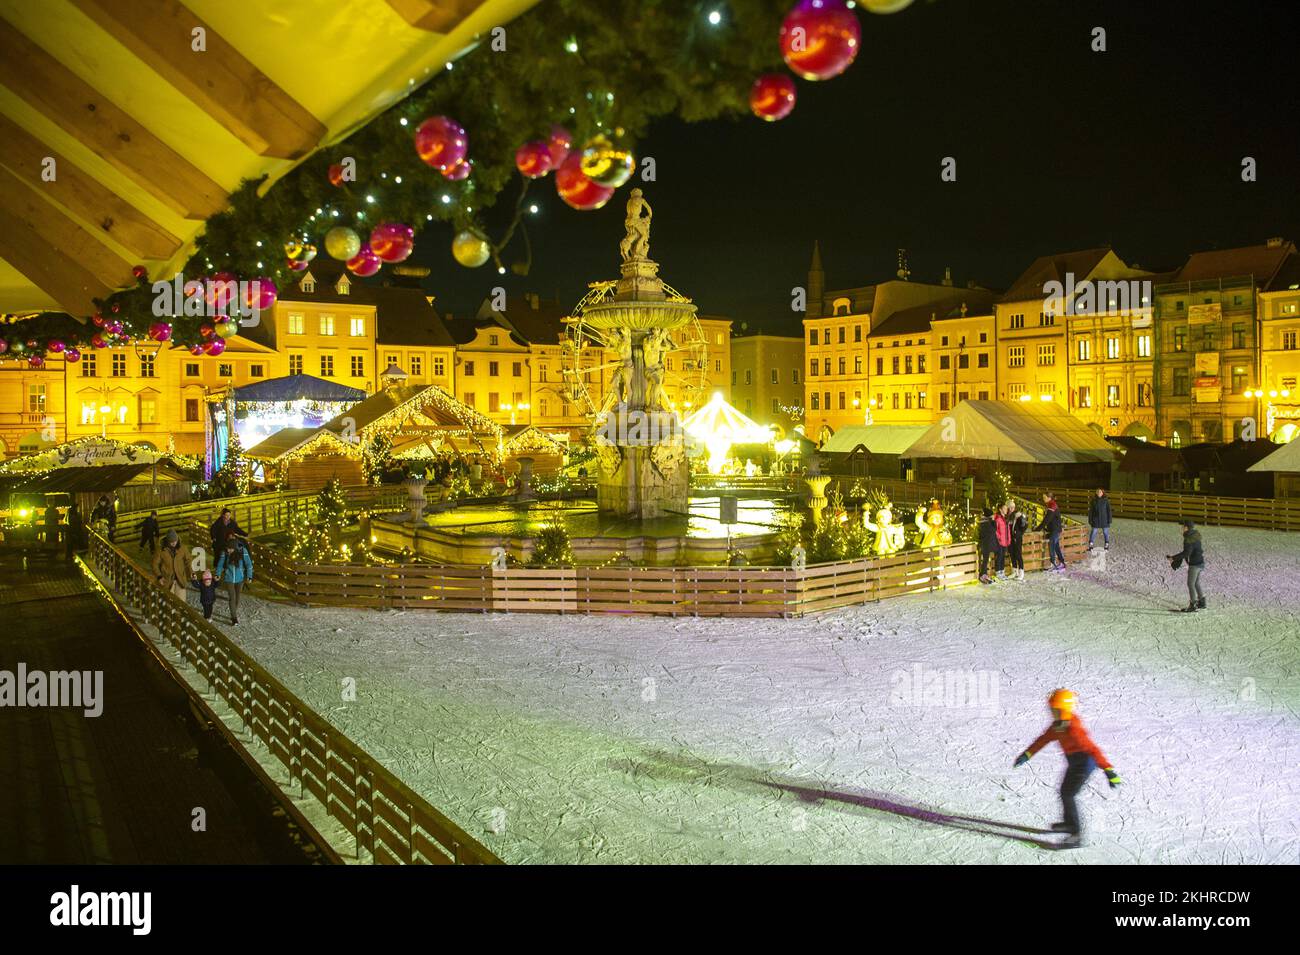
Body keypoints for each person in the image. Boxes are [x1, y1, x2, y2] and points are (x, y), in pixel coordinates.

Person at [1013, 688, 1121, 848]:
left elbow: (1093, 749)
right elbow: (1042, 740)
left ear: (1063, 710)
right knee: (1065, 792)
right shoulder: (1057, 726)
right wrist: (1027, 754)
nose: (1051, 712)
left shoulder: (1073, 729)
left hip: (1085, 763)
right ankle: (1069, 824)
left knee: (1069, 794)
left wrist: (1109, 771)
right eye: (1051, 709)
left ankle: (1076, 835)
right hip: (1074, 762)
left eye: (1055, 709)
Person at [1167, 518, 1205, 612]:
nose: (1181, 529)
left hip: (1195, 565)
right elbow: (1188, 552)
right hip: (1200, 562)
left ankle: (1193, 604)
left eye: (1183, 527)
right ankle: (1202, 602)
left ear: (1186, 528)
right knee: (1196, 582)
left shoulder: (1188, 539)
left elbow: (1186, 553)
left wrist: (1173, 558)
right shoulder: (1195, 535)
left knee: (1190, 584)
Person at [215, 538, 254, 625]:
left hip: (240, 578)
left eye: (230, 549)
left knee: (237, 598)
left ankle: (234, 612)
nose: (228, 550)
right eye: (227, 548)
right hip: (229, 578)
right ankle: (234, 617)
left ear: (235, 548)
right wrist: (218, 574)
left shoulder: (243, 551)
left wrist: (249, 576)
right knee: (232, 597)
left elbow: (248, 564)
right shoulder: (224, 553)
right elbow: (220, 564)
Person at [153, 530, 189, 599]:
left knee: (181, 602)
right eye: (171, 541)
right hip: (167, 580)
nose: (174, 543)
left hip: (180, 580)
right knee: (169, 601)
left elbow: (188, 561)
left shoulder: (183, 548)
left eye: (175, 541)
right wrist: (159, 576)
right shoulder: (160, 550)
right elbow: (155, 564)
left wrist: (191, 573)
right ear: (167, 541)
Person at [1037, 493, 1066, 570]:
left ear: (1049, 497)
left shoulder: (1052, 505)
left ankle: (1053, 563)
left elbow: (1046, 520)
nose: (1043, 498)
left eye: (1044, 497)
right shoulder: (1050, 504)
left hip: (1055, 530)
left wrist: (1037, 529)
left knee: (1052, 546)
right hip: (1055, 529)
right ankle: (1062, 562)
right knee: (1056, 547)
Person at [1007, 500, 1028, 581]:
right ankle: (1015, 571)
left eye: (1013, 507)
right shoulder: (1008, 516)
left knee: (1018, 554)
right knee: (1012, 554)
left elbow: (1025, 525)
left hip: (1017, 538)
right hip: (1010, 538)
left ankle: (1021, 571)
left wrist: (1019, 533)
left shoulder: (1018, 515)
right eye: (1010, 507)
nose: (1012, 509)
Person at [977, 506, 999, 584]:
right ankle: (982, 575)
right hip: (986, 545)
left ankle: (984, 574)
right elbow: (993, 530)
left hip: (986, 544)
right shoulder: (986, 523)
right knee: (985, 560)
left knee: (985, 560)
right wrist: (993, 521)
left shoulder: (984, 522)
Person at [994, 504, 1012, 579]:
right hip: (999, 542)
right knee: (999, 557)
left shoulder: (1005, 518)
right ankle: (998, 572)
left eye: (1006, 508)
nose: (1006, 510)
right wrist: (999, 538)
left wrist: (1009, 539)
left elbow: (1007, 530)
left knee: (1003, 557)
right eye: (1004, 508)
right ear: (1000, 509)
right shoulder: (997, 518)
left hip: (1005, 541)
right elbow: (995, 530)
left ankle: (1002, 572)